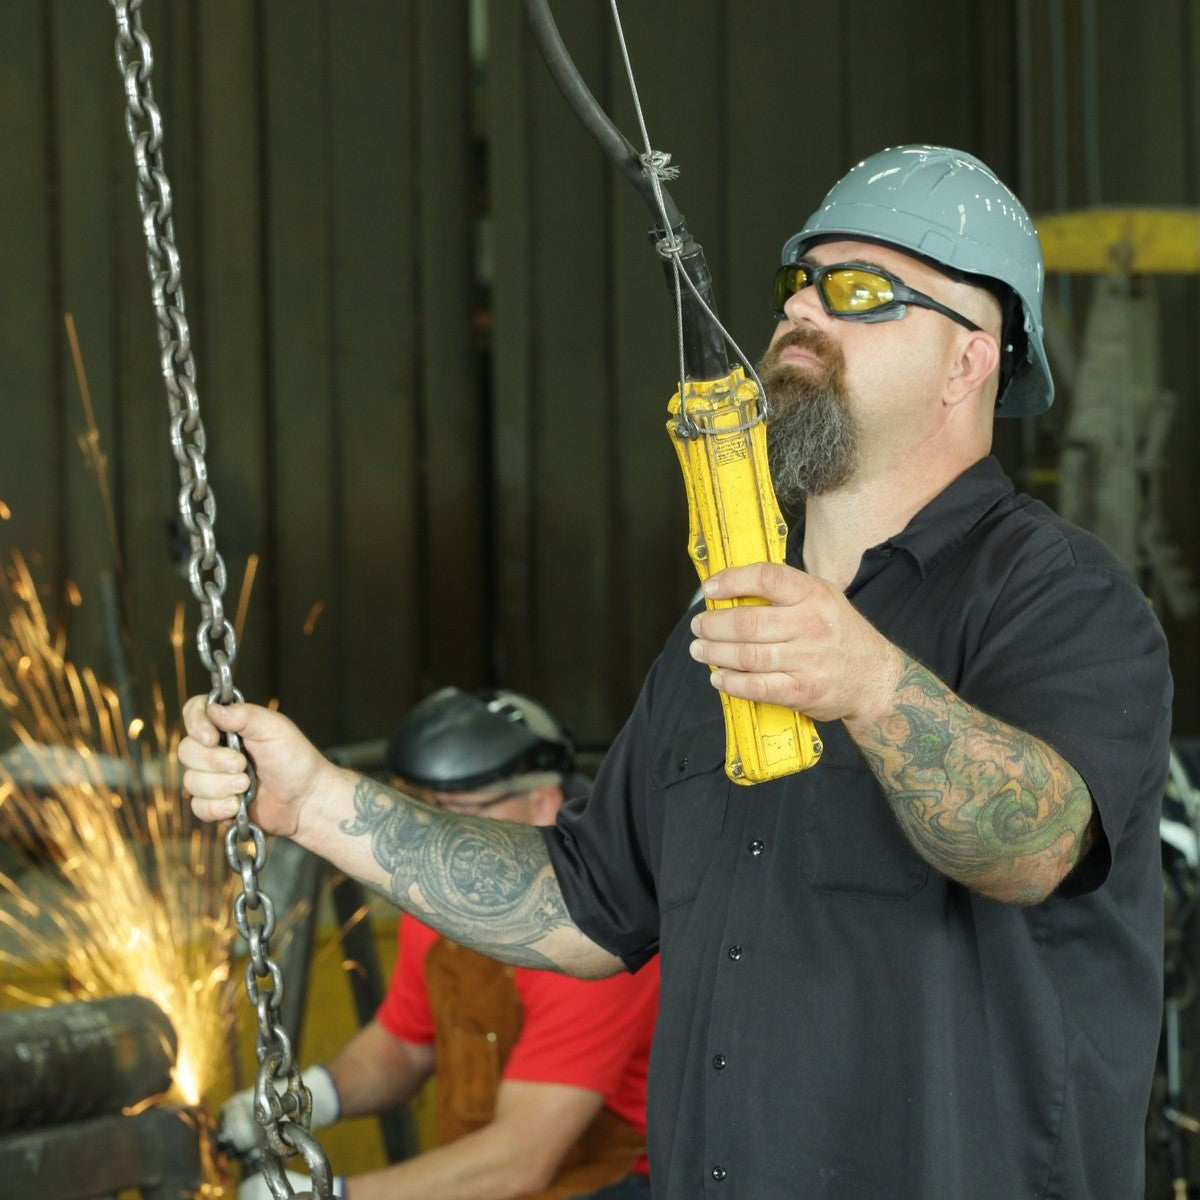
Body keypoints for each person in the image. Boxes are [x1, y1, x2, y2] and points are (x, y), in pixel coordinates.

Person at [183, 145, 1173, 1199]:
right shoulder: (725, 621)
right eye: (799, 282)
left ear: (968, 360)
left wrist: (875, 687)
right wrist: (317, 803)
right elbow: (586, 903)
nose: (803, 309)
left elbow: (1036, 846)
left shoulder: (1062, 599)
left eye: (860, 290)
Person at [221, 687, 658, 1200]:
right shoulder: (447, 893)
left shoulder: (595, 928)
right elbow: (405, 1047)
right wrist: (304, 1097)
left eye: (460, 809)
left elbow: (520, 1161)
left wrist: (333, 1194)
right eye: (430, 808)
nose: (438, 830)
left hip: (614, 1181)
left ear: (542, 799)